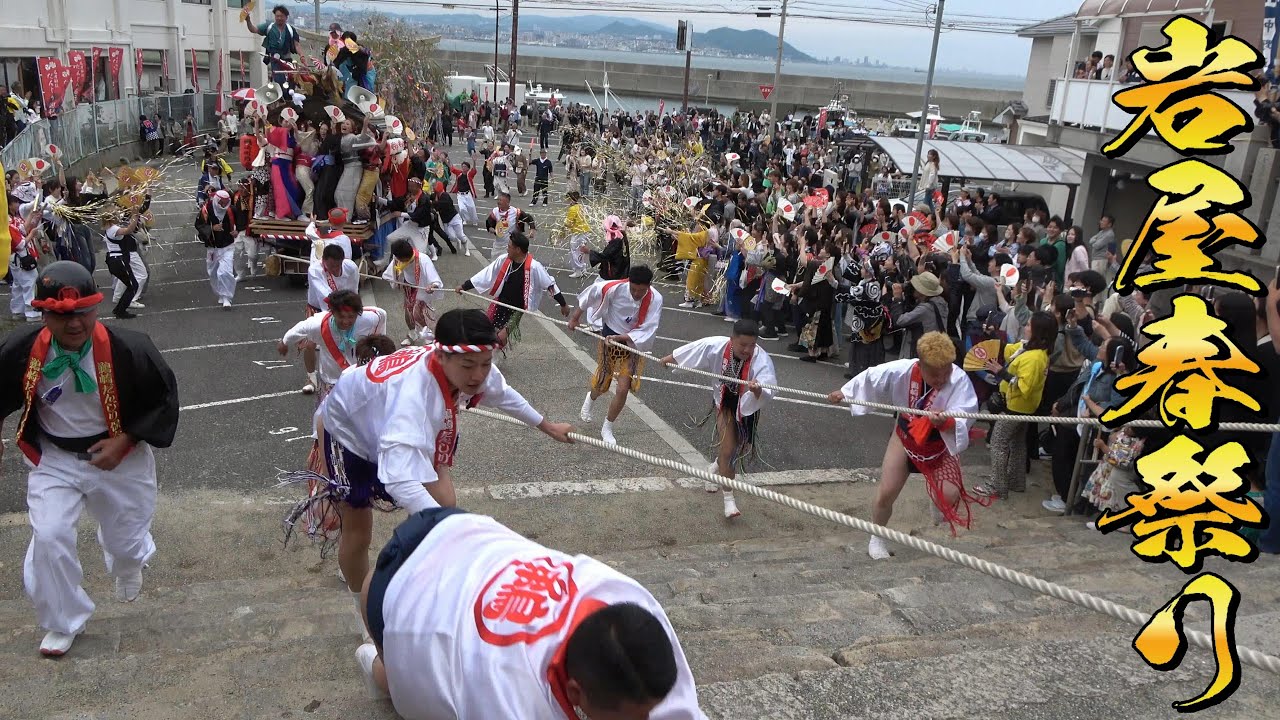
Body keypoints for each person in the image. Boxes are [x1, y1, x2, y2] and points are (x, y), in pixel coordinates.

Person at [298, 310, 574, 604]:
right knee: (359, 529)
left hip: (391, 420)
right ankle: (363, 612)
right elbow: (398, 478)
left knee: (444, 501)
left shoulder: (467, 360)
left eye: (485, 364)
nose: (478, 375)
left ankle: (421, 574)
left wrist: (547, 426)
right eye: (469, 366)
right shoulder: (414, 395)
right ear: (440, 356)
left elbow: (502, 393)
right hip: (348, 432)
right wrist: (450, 529)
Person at [355, 509, 703, 719]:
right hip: (398, 589)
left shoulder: (632, 603)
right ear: (576, 693)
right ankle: (372, 660)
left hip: (467, 535)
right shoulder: (508, 701)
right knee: (398, 686)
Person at [0, 261, 179, 656]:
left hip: (120, 456)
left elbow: (162, 399)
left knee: (126, 539)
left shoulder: (131, 348)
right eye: (61, 314)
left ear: (95, 309)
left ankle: (129, 563)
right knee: (49, 536)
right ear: (43, 313)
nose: (74, 322)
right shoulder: (23, 349)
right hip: (55, 458)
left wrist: (126, 440)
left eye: (82, 311)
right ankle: (64, 620)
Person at [828, 332, 983, 559]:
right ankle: (877, 536)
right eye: (935, 374)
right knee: (886, 492)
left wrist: (948, 421)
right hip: (905, 437)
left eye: (946, 372)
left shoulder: (958, 379)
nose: (942, 379)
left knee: (949, 495)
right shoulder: (904, 369)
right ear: (921, 365)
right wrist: (845, 392)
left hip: (939, 443)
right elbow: (872, 377)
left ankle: (937, 502)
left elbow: (967, 411)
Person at [661, 320, 777, 520]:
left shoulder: (761, 359)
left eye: (752, 345)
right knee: (728, 449)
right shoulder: (716, 345)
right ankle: (729, 500)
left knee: (741, 446)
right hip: (723, 402)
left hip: (745, 405)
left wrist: (758, 389)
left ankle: (714, 467)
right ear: (732, 340)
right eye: (743, 345)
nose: (748, 350)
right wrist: (669, 358)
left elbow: (768, 387)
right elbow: (693, 351)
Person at [570, 266, 664, 446]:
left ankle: (607, 426)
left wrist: (623, 338)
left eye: (641, 290)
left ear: (649, 286)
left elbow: (650, 327)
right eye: (633, 289)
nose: (637, 293)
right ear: (628, 282)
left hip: (633, 341)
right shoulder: (613, 288)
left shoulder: (655, 298)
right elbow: (589, 296)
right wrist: (575, 318)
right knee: (603, 381)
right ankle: (591, 398)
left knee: (622, 387)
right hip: (610, 337)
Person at [458, 231, 569, 349]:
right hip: (500, 302)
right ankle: (489, 353)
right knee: (486, 330)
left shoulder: (534, 267)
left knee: (500, 337)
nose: (507, 249)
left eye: (509, 247)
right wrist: (464, 286)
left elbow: (549, 285)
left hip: (516, 309)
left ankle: (495, 357)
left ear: (518, 250)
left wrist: (563, 304)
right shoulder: (503, 259)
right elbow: (486, 274)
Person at [279, 289, 387, 401]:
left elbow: (382, 315)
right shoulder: (318, 324)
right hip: (331, 381)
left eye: (351, 317)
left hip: (358, 378)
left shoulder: (369, 319)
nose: (346, 321)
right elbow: (298, 329)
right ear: (333, 312)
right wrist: (284, 342)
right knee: (327, 416)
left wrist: (379, 339)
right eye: (341, 317)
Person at [301, 237, 360, 394]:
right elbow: (325, 296)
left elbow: (354, 290)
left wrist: (353, 309)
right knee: (310, 343)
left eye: (338, 264)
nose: (335, 268)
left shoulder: (351, 267)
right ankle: (311, 377)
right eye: (331, 265)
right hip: (320, 307)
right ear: (324, 261)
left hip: (345, 306)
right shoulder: (315, 270)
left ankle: (347, 373)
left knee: (349, 340)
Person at [381, 238, 442, 346]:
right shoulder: (397, 258)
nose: (403, 261)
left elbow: (434, 278)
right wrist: (387, 277)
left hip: (422, 287)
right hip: (408, 286)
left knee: (417, 313)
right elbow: (391, 271)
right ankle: (413, 333)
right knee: (408, 313)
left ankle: (427, 336)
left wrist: (433, 285)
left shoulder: (423, 259)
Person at [194, 189, 239, 308]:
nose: (224, 205)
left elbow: (241, 220)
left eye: (226, 203)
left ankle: (226, 297)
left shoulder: (231, 209)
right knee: (213, 273)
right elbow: (198, 225)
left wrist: (237, 230)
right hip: (212, 247)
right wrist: (212, 228)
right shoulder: (205, 210)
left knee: (225, 272)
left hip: (228, 246)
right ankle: (220, 293)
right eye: (222, 203)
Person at [102, 209, 144, 319]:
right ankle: (121, 311)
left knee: (130, 284)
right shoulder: (113, 229)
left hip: (115, 260)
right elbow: (129, 230)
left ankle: (119, 309)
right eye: (116, 214)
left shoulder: (109, 228)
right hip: (118, 260)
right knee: (133, 285)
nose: (118, 215)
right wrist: (135, 216)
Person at [245, 5, 301, 84]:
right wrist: (248, 20)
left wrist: (302, 56)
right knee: (279, 79)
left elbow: (297, 44)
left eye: (281, 16)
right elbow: (253, 29)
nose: (279, 18)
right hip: (275, 59)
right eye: (277, 16)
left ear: (286, 17)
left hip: (287, 58)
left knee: (292, 79)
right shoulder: (269, 27)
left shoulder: (290, 29)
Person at [484, 191, 536, 260]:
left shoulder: (515, 212)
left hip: (512, 244)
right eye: (498, 200)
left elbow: (528, 218)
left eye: (501, 200)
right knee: (494, 264)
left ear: (507, 202)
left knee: (518, 262)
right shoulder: (495, 211)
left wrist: (532, 229)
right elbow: (489, 223)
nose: (498, 202)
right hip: (499, 244)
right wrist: (492, 229)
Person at [563, 190, 592, 277]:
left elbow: (568, 223)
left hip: (578, 232)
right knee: (581, 250)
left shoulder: (572, 209)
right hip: (585, 231)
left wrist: (564, 222)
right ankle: (583, 268)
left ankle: (578, 270)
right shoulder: (581, 206)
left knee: (575, 251)